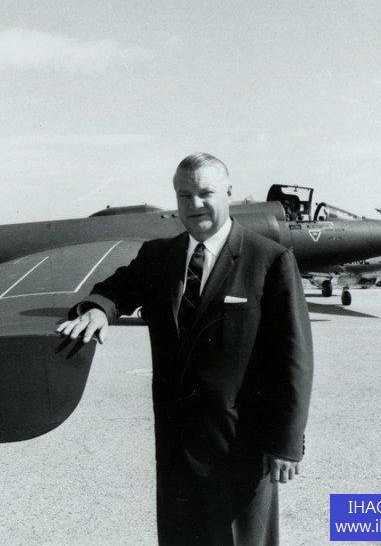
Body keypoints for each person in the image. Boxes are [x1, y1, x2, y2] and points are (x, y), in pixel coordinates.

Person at [57, 153, 313, 545]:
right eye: (184, 195)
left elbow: (293, 359)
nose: (194, 204)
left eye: (205, 193)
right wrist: (97, 310)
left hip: (240, 448)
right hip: (175, 449)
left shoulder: (269, 260)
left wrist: (287, 444)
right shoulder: (158, 256)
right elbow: (116, 290)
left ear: (229, 193)